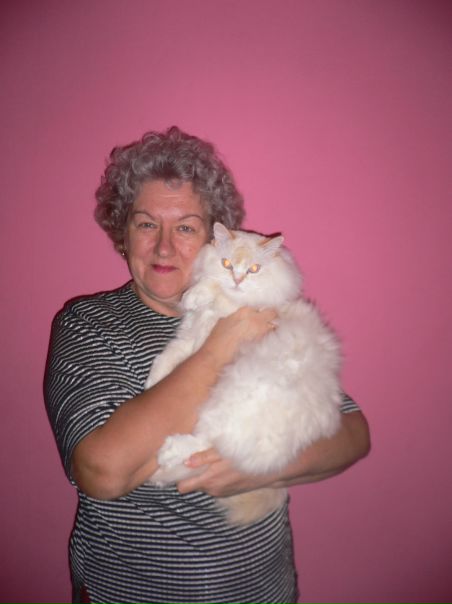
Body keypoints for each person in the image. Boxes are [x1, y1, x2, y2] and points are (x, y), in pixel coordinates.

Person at [45, 126, 370, 604]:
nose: (163, 247)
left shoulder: (265, 313)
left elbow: (353, 433)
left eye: (185, 228)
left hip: (265, 592)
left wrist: (258, 469)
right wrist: (220, 348)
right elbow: (103, 471)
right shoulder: (88, 325)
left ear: (216, 241)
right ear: (122, 233)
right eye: (146, 224)